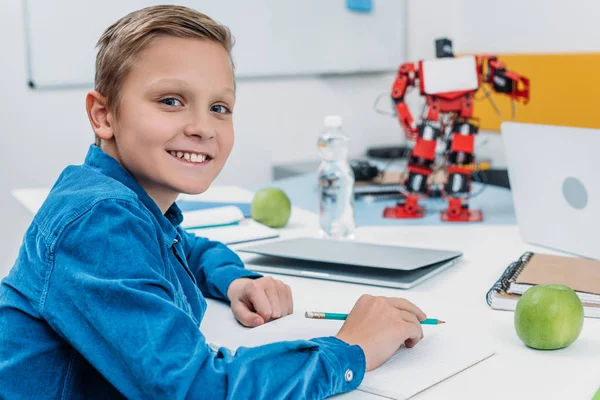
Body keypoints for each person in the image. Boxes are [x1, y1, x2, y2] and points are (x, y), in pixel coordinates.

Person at [0, 5, 426, 399]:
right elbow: (194, 388)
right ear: (104, 115)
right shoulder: (98, 221)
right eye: (171, 101)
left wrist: (236, 281)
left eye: (220, 107)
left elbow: (186, 248)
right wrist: (351, 349)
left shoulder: (127, 204)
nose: (203, 127)